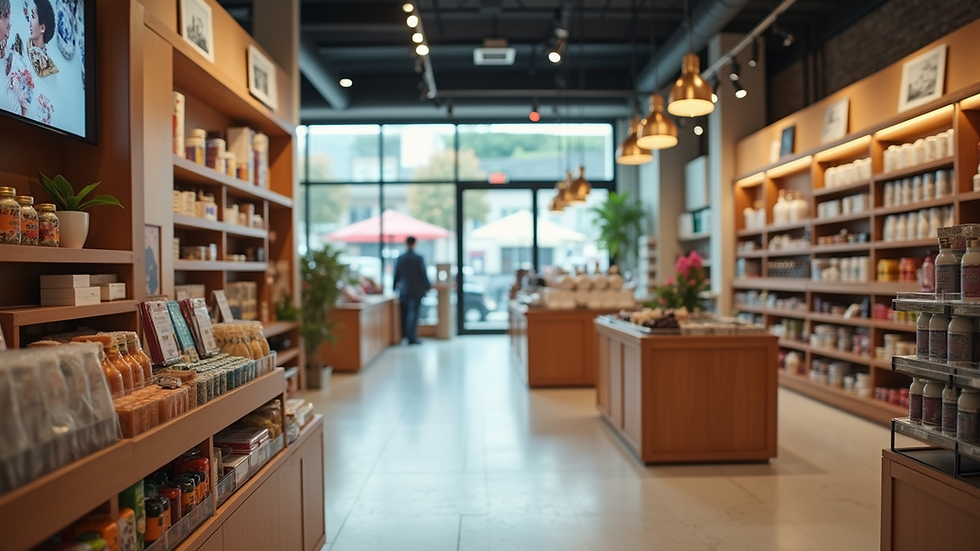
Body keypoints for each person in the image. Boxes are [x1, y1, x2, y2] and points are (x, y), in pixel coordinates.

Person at [393, 236, 430, 345]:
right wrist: (427, 287)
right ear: (414, 243)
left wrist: (393, 288)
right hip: (417, 290)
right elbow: (423, 274)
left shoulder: (401, 258)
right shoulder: (418, 258)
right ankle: (412, 337)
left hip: (404, 290)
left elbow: (396, 275)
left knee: (405, 314)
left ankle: (406, 335)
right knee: (414, 313)